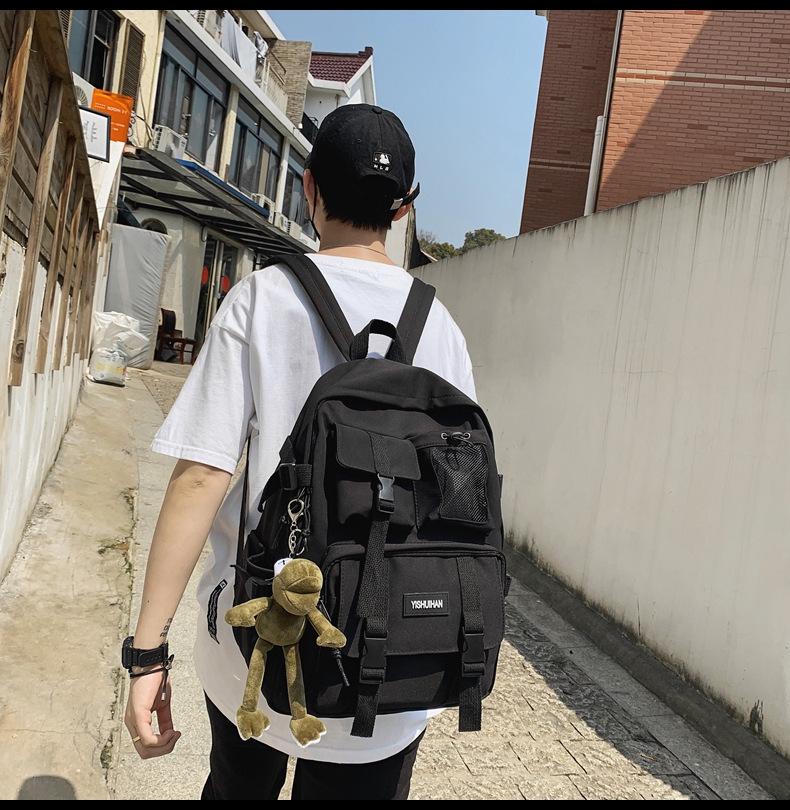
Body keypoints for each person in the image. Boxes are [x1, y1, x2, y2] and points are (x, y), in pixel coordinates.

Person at [122, 104, 477, 800]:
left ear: (309, 188)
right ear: (406, 206)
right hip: (391, 661)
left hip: (257, 648)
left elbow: (201, 478)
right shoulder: (442, 327)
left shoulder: (262, 300)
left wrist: (147, 652)